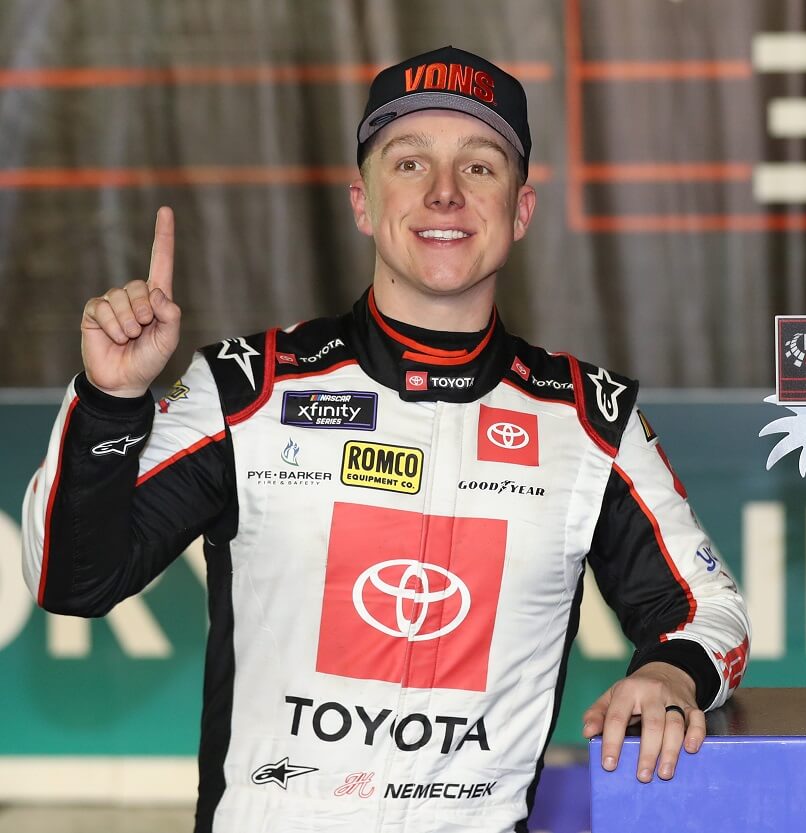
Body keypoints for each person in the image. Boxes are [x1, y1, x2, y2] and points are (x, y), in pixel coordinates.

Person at [20, 45, 749, 833]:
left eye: (479, 167)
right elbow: (70, 579)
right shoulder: (249, 388)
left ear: (521, 210)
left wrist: (674, 673)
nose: (443, 193)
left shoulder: (589, 420)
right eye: (409, 163)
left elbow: (710, 609)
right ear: (362, 202)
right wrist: (110, 398)